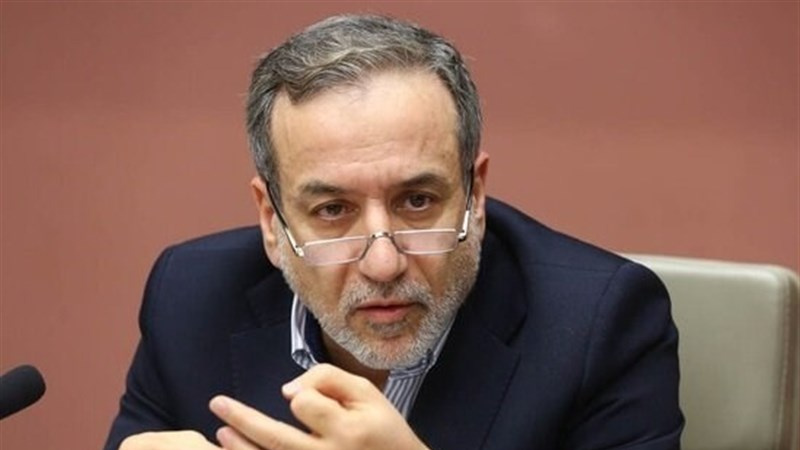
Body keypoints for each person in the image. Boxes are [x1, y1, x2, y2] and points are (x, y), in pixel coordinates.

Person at [105, 14, 683, 450]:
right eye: (333, 210)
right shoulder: (189, 301)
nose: (383, 264)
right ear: (272, 221)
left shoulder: (600, 324)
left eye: (417, 202)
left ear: (475, 196)